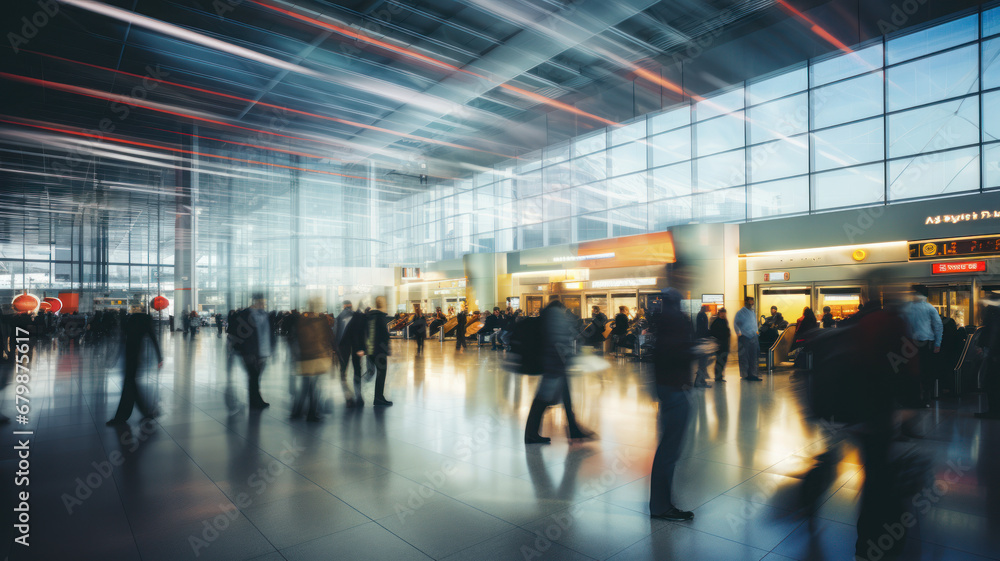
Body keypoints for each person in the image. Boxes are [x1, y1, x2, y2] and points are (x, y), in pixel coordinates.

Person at [649, 288, 696, 521]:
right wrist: (695, 349)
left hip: (668, 388)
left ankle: (661, 502)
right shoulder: (674, 321)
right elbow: (675, 354)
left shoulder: (663, 320)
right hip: (674, 389)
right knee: (669, 449)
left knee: (668, 448)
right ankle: (660, 506)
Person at [524, 297, 596, 444]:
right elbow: (559, 339)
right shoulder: (555, 315)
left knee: (565, 399)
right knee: (542, 400)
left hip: (554, 364)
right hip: (555, 365)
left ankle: (574, 430)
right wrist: (569, 356)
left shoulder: (548, 314)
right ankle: (531, 434)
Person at [107, 306, 163, 425]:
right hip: (135, 357)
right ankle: (145, 413)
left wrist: (159, 358)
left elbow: (123, 338)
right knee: (131, 385)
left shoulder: (132, 320)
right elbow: (153, 339)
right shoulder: (144, 321)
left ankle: (123, 417)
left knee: (130, 385)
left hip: (131, 357)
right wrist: (159, 358)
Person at [290, 298, 335, 422]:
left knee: (306, 386)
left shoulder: (301, 321)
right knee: (314, 388)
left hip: (305, 359)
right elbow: (325, 339)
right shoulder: (320, 321)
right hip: (316, 358)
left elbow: (296, 339)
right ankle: (311, 413)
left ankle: (297, 412)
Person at [230, 293, 275, 409]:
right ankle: (255, 401)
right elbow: (238, 334)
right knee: (253, 376)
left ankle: (255, 400)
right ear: (254, 302)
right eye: (260, 302)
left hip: (263, 351)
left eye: (264, 302)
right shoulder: (245, 315)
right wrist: (245, 351)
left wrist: (271, 348)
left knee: (256, 377)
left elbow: (269, 333)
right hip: (250, 353)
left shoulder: (265, 315)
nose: (262, 304)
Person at [904, 287, 943, 408]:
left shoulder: (906, 307)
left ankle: (913, 397)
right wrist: (937, 343)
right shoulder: (929, 307)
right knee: (926, 371)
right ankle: (926, 398)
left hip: (909, 343)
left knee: (911, 370)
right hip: (926, 343)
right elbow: (938, 325)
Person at [363, 296, 393, 406]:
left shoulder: (369, 316)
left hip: (370, 350)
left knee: (376, 373)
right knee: (381, 374)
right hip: (379, 351)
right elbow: (384, 336)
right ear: (382, 304)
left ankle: (378, 397)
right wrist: (387, 349)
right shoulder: (380, 317)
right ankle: (378, 398)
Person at [336, 300, 365, 407]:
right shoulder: (357, 316)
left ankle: (348, 397)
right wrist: (362, 348)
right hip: (356, 347)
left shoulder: (340, 317)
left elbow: (337, 333)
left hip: (343, 347)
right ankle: (359, 396)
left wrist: (336, 348)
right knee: (357, 370)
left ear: (343, 306)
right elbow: (361, 333)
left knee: (343, 372)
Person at [976, 294, 1000, 419]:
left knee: (991, 383)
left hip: (994, 354)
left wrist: (986, 348)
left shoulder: (992, 312)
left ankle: (993, 411)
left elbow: (992, 332)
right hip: (995, 353)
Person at [734, 296, 762, 381]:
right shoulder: (740, 312)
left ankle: (753, 374)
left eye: (752, 301)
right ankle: (745, 375)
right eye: (750, 301)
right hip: (744, 337)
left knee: (754, 356)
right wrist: (739, 333)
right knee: (745, 356)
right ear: (746, 302)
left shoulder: (752, 313)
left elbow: (755, 324)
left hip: (754, 337)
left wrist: (757, 332)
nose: (752, 303)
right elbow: (736, 323)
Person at [710, 308, 730, 383]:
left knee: (723, 360)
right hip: (719, 344)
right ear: (720, 313)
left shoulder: (725, 321)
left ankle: (720, 376)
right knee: (719, 360)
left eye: (725, 313)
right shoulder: (716, 322)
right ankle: (717, 376)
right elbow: (714, 332)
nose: (724, 314)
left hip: (724, 344)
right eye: (723, 313)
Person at [694, 305, 712, 388]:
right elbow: (703, 328)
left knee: (703, 363)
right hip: (703, 340)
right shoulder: (702, 315)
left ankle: (701, 381)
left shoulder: (700, 315)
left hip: (701, 339)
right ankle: (699, 381)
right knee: (703, 363)